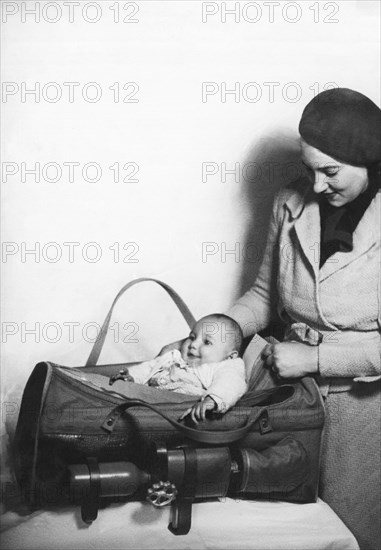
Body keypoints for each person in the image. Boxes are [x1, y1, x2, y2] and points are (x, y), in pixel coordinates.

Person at [160, 88, 380, 550]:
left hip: (363, 412)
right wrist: (206, 338)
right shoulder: (289, 202)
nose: (317, 185)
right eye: (310, 169)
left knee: (352, 529)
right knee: (276, 522)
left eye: (331, 171)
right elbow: (263, 295)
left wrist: (317, 359)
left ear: (369, 158)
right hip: (284, 392)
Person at [111, 314, 247, 423]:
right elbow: (149, 367)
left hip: (175, 407)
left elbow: (231, 383)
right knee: (114, 391)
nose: (193, 344)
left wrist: (213, 400)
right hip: (145, 400)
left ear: (230, 356)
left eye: (207, 342)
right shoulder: (174, 357)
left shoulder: (225, 366)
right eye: (192, 337)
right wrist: (132, 376)